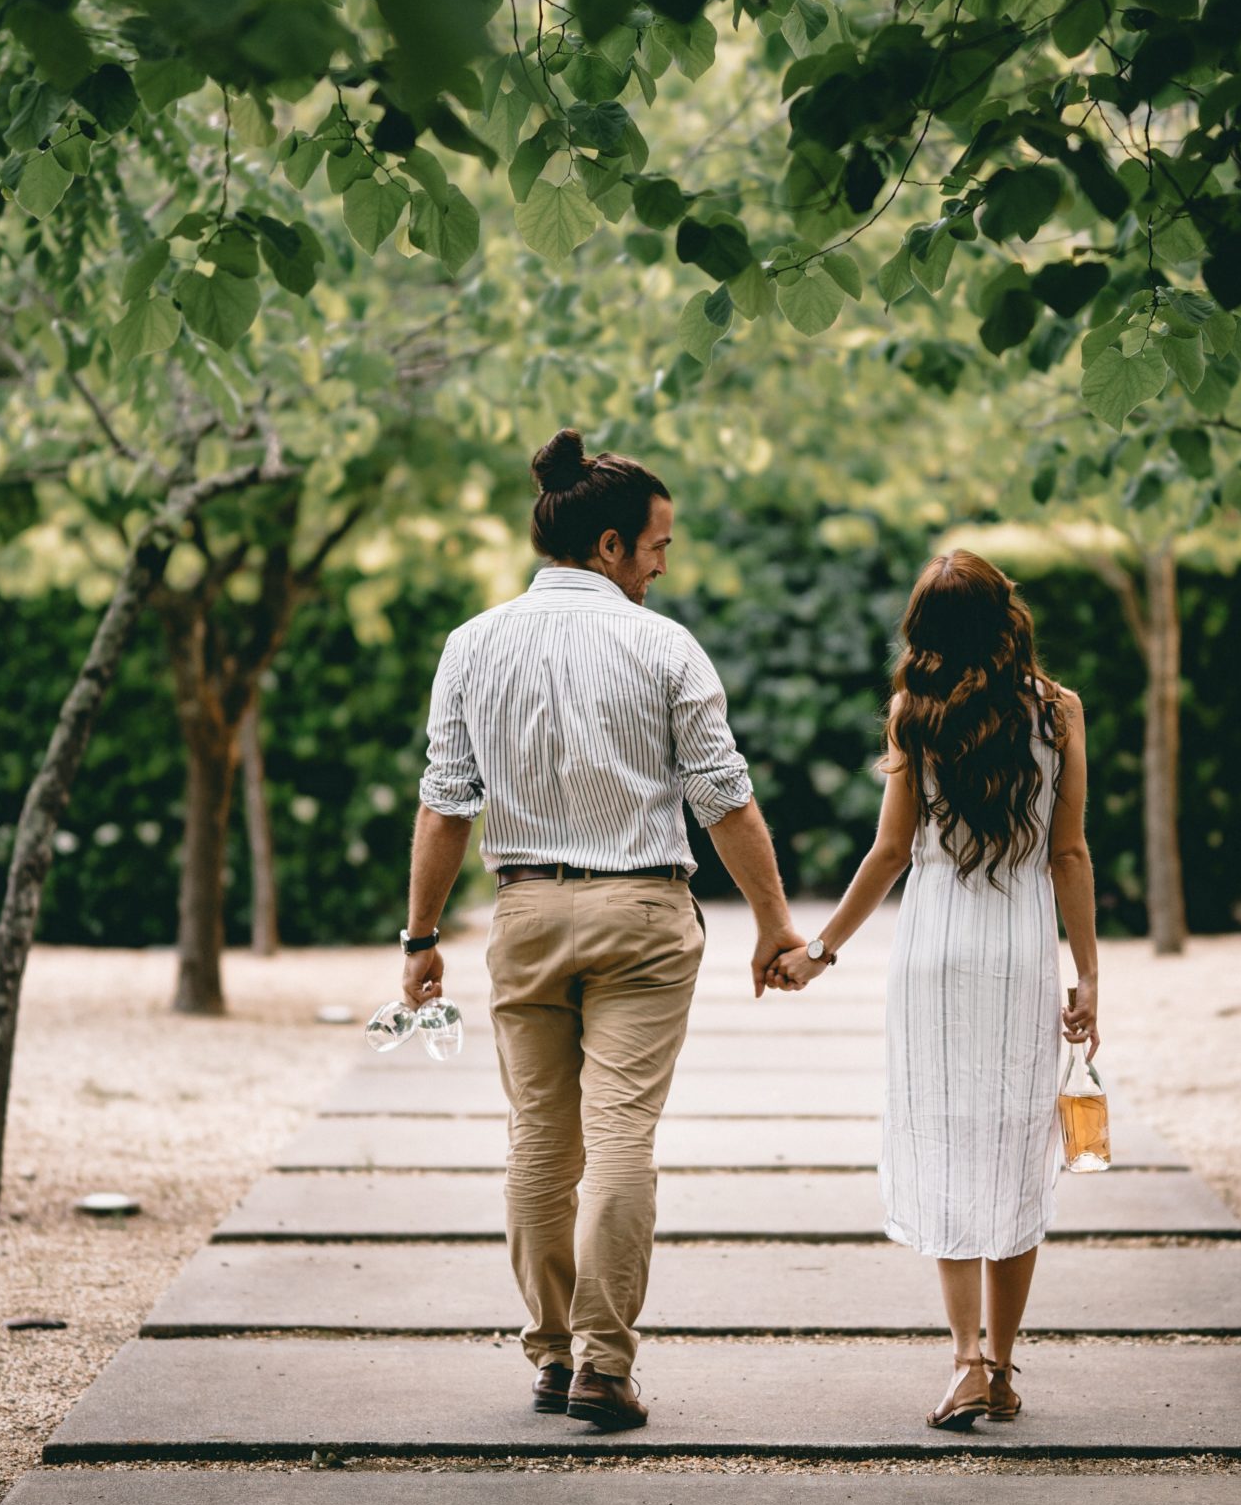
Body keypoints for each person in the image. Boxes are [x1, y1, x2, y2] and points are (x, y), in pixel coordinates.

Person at [399, 428, 803, 1434]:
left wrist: (419, 938)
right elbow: (725, 800)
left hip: (527, 911)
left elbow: (446, 806)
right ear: (612, 545)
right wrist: (773, 925)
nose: (665, 563)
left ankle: (549, 1355)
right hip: (642, 914)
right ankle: (604, 1365)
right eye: (658, 544)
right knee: (621, 1134)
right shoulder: (664, 645)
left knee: (540, 1140)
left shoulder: (471, 644)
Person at [775, 551, 1098, 1430]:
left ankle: (961, 1361)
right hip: (1018, 951)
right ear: (1007, 617)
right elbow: (1067, 853)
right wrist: (1088, 977)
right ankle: (997, 1365)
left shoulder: (911, 715)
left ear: (924, 630)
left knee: (948, 1148)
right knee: (1014, 1147)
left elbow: (888, 854)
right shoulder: (1058, 711)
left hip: (931, 953)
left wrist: (820, 951)